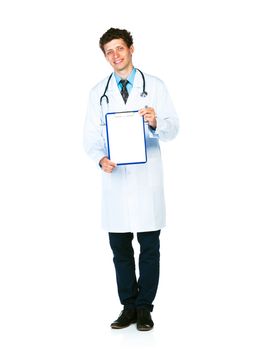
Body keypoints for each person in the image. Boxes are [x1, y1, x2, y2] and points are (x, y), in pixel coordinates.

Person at [84, 28, 179, 331]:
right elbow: (90, 137)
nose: (115, 55)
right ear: (105, 56)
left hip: (145, 179)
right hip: (116, 182)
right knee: (120, 249)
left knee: (150, 248)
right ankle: (128, 306)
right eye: (109, 51)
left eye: (120, 48)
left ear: (131, 49)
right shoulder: (98, 91)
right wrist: (101, 159)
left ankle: (145, 308)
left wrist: (155, 122)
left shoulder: (155, 87)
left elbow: (173, 127)